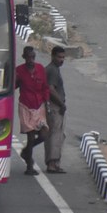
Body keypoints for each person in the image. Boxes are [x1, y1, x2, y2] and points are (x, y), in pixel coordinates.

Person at [14, 45, 49, 176]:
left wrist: (47, 103)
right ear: (24, 57)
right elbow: (14, 86)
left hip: (39, 106)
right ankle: (29, 166)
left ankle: (26, 152)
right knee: (30, 136)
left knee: (44, 134)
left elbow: (45, 87)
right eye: (28, 57)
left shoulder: (40, 69)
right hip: (25, 106)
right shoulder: (19, 71)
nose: (31, 60)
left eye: (33, 57)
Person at [43, 46, 67, 174]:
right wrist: (61, 105)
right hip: (55, 107)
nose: (61, 60)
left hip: (54, 106)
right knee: (55, 135)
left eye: (63, 57)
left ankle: (53, 163)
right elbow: (51, 89)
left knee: (56, 134)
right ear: (52, 56)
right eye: (59, 57)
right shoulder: (52, 70)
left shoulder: (54, 69)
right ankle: (52, 164)